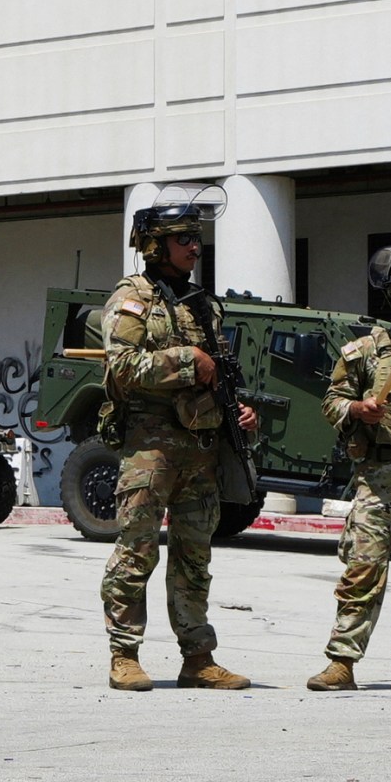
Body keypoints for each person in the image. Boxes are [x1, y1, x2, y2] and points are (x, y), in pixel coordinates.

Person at [99, 203, 262, 693]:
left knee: (195, 557)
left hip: (202, 447)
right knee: (137, 549)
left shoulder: (202, 304)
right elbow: (122, 366)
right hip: (151, 448)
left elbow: (221, 375)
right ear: (155, 245)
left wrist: (239, 412)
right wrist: (188, 361)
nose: (195, 247)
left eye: (196, 238)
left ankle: (198, 658)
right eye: (183, 238)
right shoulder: (133, 298)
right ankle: (124, 654)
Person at [309, 248, 391, 693]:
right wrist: (357, 409)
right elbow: (331, 400)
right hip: (378, 476)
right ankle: (342, 661)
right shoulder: (367, 350)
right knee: (362, 568)